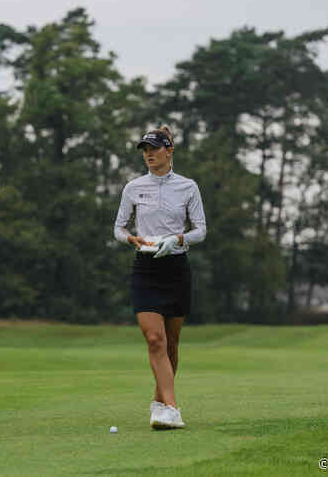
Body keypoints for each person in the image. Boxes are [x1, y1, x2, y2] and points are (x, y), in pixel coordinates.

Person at [113, 126, 206, 429]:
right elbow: (119, 228)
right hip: (146, 268)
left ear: (169, 150)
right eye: (145, 150)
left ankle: (158, 404)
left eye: (154, 148)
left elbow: (200, 230)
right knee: (155, 339)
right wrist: (132, 240)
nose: (148, 154)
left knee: (171, 345)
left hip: (176, 268)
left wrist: (179, 239)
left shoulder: (188, 187)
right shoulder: (133, 187)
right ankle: (173, 409)